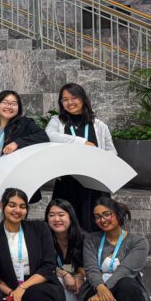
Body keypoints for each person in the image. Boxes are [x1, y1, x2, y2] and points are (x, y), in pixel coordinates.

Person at [46, 83, 116, 232]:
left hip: (95, 182)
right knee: (66, 224)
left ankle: (94, 253)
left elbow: (112, 152)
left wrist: (103, 160)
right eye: (64, 99)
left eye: (74, 97)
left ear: (83, 99)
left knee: (96, 222)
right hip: (68, 180)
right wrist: (82, 142)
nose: (70, 103)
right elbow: (49, 136)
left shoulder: (99, 125)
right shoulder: (57, 121)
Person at [0, 90, 49, 171]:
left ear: (18, 108)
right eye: (5, 102)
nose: (9, 106)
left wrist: (17, 143)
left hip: (12, 176)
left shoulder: (25, 124)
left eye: (13, 104)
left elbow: (43, 137)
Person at [46, 198, 86, 301]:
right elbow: (42, 265)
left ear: (71, 217)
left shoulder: (83, 238)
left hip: (80, 285)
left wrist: (80, 275)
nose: (56, 219)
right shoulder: (43, 238)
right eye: (51, 215)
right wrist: (64, 274)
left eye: (61, 214)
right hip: (55, 283)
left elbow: (89, 264)